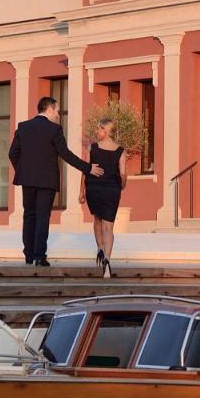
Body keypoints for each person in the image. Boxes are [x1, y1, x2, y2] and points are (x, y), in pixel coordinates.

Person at [9, 96, 104, 267]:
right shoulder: (54, 129)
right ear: (50, 109)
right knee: (42, 217)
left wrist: (23, 172)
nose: (58, 115)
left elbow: (12, 154)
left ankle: (29, 256)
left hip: (27, 181)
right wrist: (88, 168)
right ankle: (39, 257)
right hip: (47, 181)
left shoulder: (23, 127)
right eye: (57, 111)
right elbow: (65, 154)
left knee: (29, 216)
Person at [80, 118, 128, 278]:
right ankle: (107, 260)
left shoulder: (92, 148)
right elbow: (123, 174)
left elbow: (85, 171)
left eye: (98, 128)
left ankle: (100, 248)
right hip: (111, 190)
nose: (96, 131)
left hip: (94, 188)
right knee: (109, 227)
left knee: (97, 220)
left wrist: (81, 192)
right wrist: (121, 185)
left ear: (105, 131)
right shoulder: (121, 151)